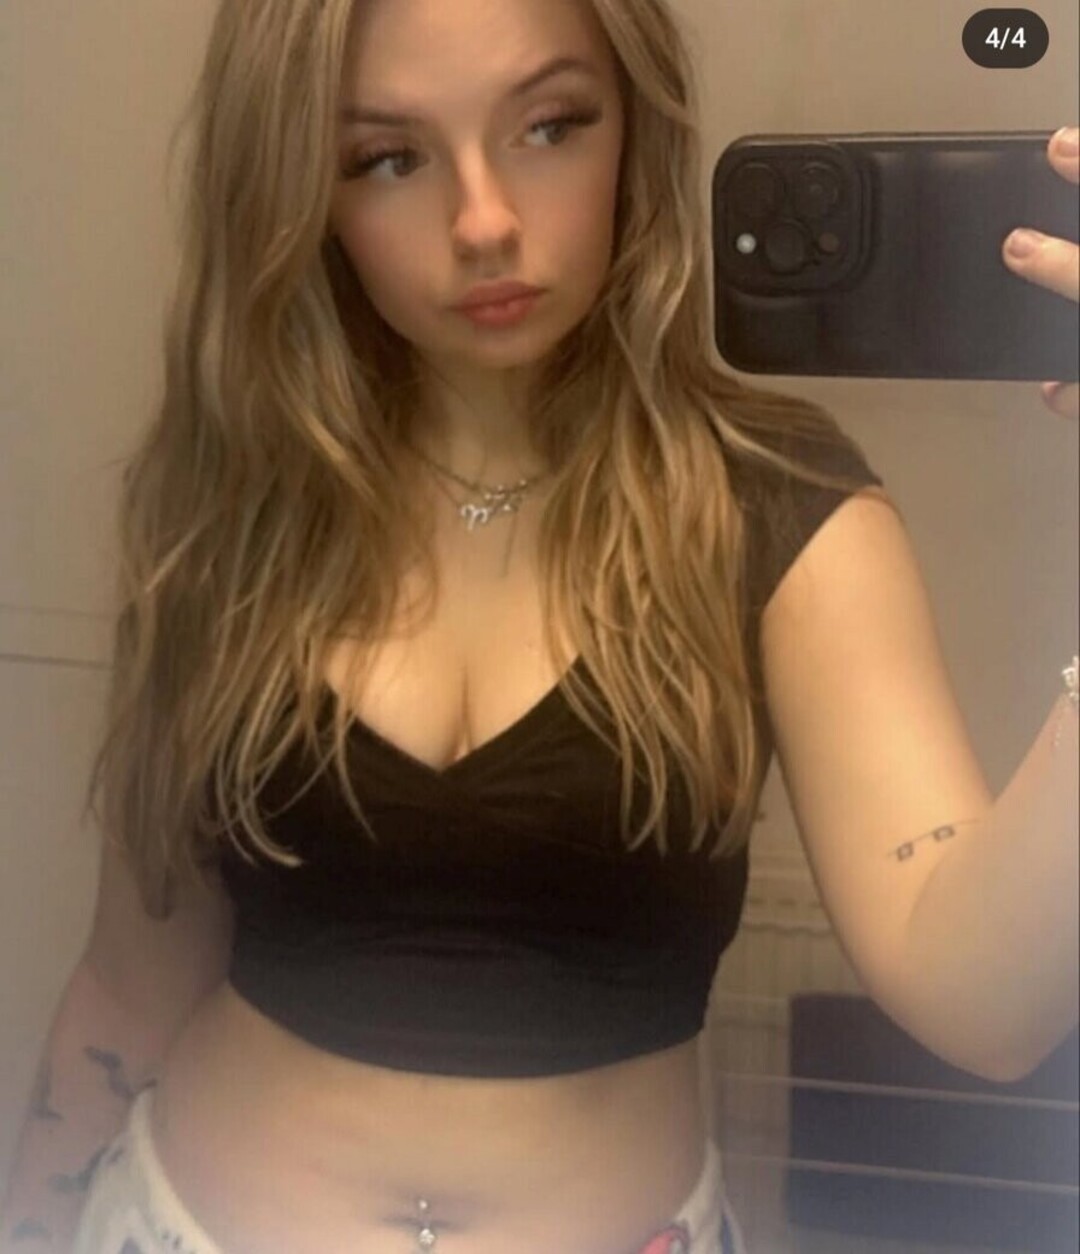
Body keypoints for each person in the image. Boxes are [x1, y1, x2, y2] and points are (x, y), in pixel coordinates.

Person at [2, 0, 1076, 1251]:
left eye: (551, 126)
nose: (484, 221)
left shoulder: (776, 506)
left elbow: (985, 1004)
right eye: (387, 157)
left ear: (636, 126)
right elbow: (129, 987)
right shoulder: (229, 512)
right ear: (301, 189)